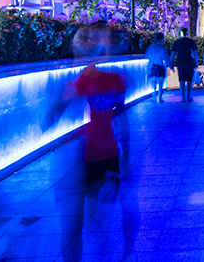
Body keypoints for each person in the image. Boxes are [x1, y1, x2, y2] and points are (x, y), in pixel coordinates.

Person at [55, 21, 133, 262]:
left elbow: (120, 116)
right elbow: (120, 119)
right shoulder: (93, 78)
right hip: (96, 154)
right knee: (93, 221)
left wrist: (126, 152)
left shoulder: (104, 79)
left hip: (100, 154)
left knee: (95, 221)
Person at [171, 32, 199, 103]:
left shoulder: (178, 42)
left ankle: (183, 97)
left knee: (182, 81)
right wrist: (196, 61)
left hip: (180, 63)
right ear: (187, 33)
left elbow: (173, 53)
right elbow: (195, 52)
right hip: (189, 63)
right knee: (189, 81)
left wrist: (171, 62)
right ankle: (189, 96)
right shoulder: (190, 41)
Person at [145, 32, 170, 102]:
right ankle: (160, 98)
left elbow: (148, 57)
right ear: (161, 39)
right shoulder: (163, 48)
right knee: (160, 83)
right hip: (160, 66)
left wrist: (148, 69)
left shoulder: (151, 47)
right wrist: (170, 65)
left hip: (153, 66)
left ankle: (153, 97)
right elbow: (165, 58)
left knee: (153, 83)